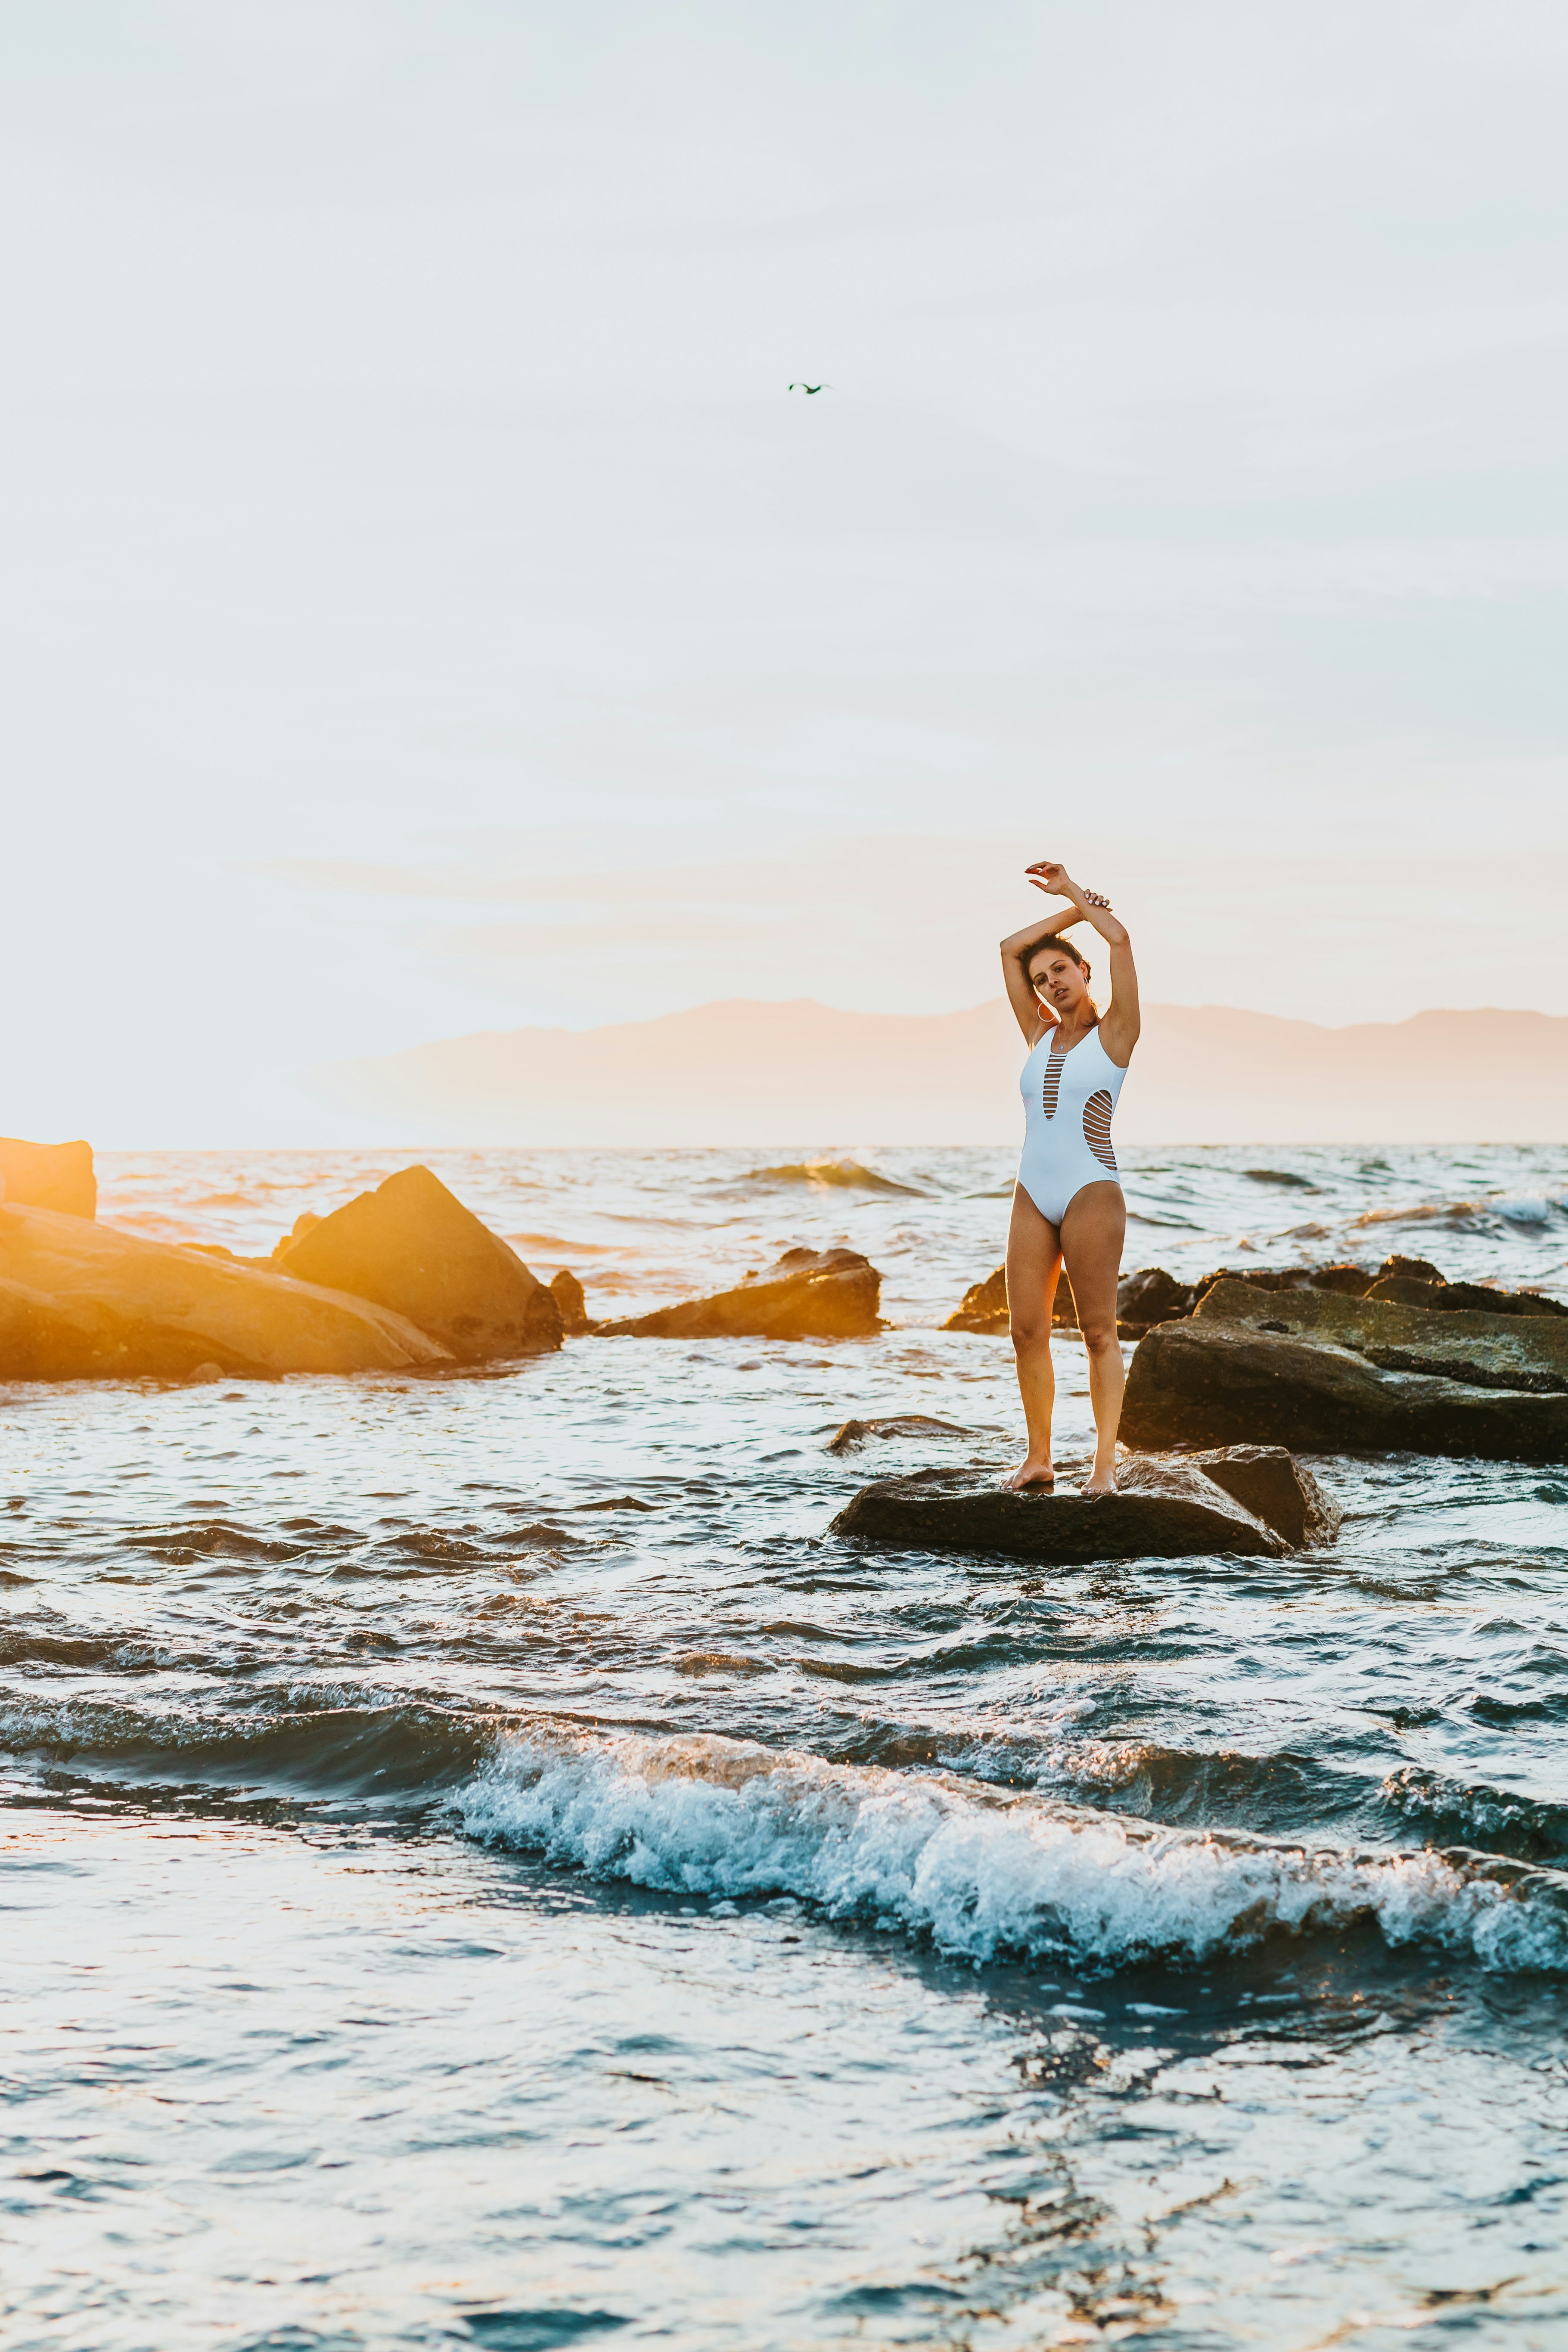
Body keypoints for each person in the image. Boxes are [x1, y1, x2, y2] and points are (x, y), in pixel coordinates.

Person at [999, 861, 1140, 1494]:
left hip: (1090, 1189)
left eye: (1060, 969)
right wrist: (1068, 913)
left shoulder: (1115, 1032)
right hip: (1032, 1191)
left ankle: (1104, 1467)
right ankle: (1038, 1459)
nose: (1050, 982)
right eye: (1041, 977)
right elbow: (1007, 949)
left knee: (1096, 1330)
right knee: (1025, 1328)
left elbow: (1121, 942)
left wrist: (1080, 899)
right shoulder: (1035, 1034)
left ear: (1083, 973)